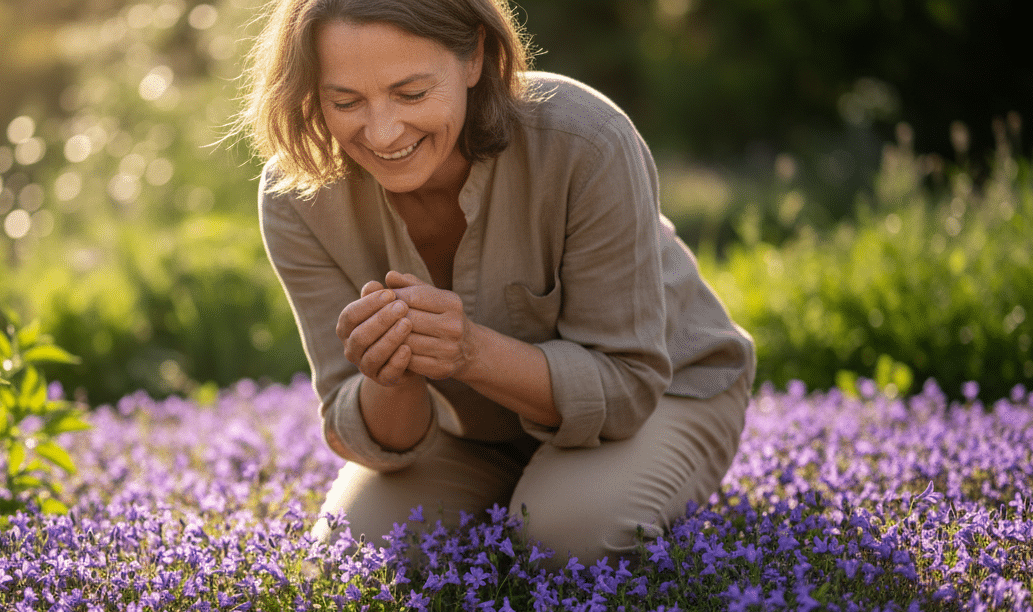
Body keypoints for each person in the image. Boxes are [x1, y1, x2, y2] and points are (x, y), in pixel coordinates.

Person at [235, 0, 756, 566]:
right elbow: (362, 431)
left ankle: (555, 494)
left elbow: (627, 385)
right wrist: (392, 375)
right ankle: (527, 490)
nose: (383, 132)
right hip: (470, 428)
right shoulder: (300, 192)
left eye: (412, 94)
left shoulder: (585, 139)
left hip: (664, 393)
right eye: (346, 101)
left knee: (565, 539)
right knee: (352, 557)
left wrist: (470, 352)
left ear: (474, 58)